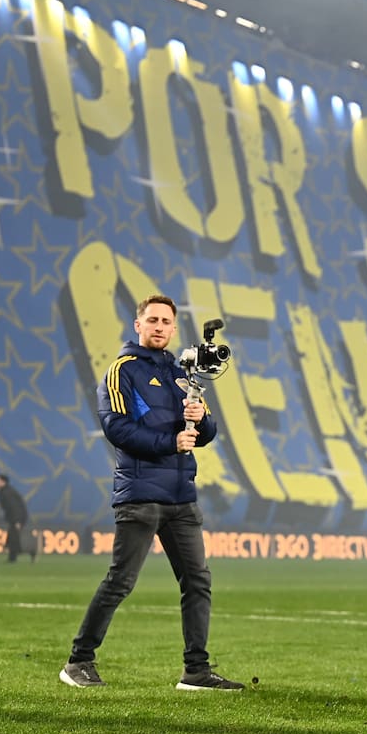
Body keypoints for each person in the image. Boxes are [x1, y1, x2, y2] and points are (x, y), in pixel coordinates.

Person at [59, 294, 242, 691]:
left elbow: (204, 435)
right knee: (120, 581)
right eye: (153, 320)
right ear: (137, 325)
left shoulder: (182, 375)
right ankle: (78, 661)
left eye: (166, 322)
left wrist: (202, 418)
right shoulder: (121, 371)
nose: (160, 326)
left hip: (181, 496)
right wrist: (169, 443)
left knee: (198, 581)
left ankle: (196, 671)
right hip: (140, 494)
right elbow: (116, 428)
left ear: (174, 329)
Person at [0, 474, 32, 563]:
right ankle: (13, 558)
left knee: (13, 538)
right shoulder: (5, 491)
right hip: (15, 518)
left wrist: (17, 521)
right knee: (12, 538)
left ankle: (28, 552)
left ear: (2, 482)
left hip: (17, 518)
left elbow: (15, 507)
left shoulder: (7, 492)